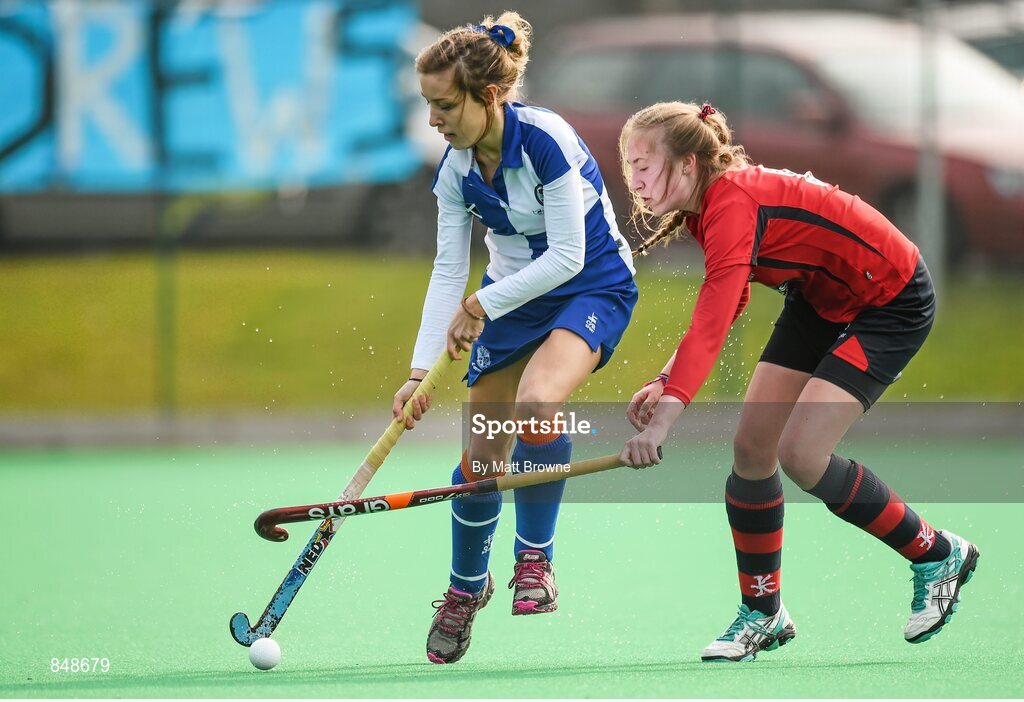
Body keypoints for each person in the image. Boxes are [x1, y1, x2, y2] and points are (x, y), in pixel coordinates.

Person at [617, 101, 979, 662]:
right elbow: (729, 300)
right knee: (752, 449)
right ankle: (763, 612)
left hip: (890, 299)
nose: (635, 181)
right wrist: (667, 379)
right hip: (820, 298)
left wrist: (662, 422)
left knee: (803, 453)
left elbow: (711, 322)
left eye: (644, 165)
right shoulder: (703, 207)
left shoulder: (730, 202)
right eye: (629, 167)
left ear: (688, 163)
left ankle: (936, 553)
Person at [395, 13, 638, 665]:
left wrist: (481, 304)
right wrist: (419, 372)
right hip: (508, 296)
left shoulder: (546, 141)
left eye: (446, 106)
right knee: (481, 462)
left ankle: (535, 560)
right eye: (428, 105)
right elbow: (448, 270)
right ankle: (465, 588)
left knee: (537, 402)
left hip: (590, 284)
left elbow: (566, 256)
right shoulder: (454, 171)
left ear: (488, 96)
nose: (433, 121)